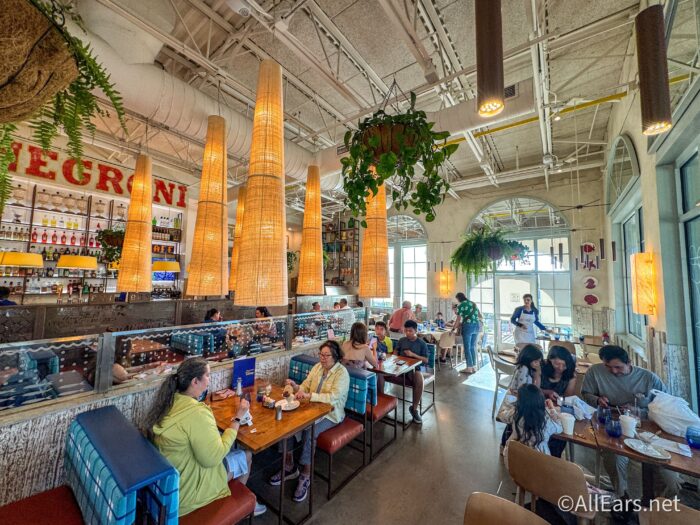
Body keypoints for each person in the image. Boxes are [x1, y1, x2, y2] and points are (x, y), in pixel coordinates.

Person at [145, 357, 266, 517]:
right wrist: (238, 418)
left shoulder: (169, 401)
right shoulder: (197, 412)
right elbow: (213, 458)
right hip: (189, 493)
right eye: (208, 375)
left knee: (227, 444)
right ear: (195, 381)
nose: (210, 380)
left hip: (171, 484)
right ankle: (238, 503)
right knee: (247, 455)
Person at [581, 345, 680, 497]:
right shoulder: (595, 372)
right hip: (614, 426)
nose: (614, 371)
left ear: (629, 363)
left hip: (649, 430)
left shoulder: (648, 379)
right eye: (608, 367)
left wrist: (640, 412)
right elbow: (586, 393)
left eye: (618, 367)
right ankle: (622, 496)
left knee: (670, 478)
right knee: (613, 457)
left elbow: (667, 408)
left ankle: (658, 504)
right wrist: (597, 400)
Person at [270, 340, 350, 503]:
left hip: (331, 414)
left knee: (309, 432)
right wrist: (295, 386)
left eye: (326, 355)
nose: (322, 358)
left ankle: (306, 474)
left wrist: (309, 396)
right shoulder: (317, 367)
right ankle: (289, 466)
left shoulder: (342, 373)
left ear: (335, 357)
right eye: (321, 354)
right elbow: (305, 386)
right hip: (312, 409)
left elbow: (333, 397)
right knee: (286, 424)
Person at [504, 384, 563, 469]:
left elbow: (503, 415)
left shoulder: (515, 414)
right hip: (538, 464)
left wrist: (510, 394)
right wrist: (552, 408)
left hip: (513, 458)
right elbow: (559, 428)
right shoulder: (546, 421)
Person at [500, 344, 543, 452]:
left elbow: (534, 389)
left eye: (539, 361)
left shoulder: (526, 368)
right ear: (528, 359)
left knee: (513, 423)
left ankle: (504, 445)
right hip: (516, 399)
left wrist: (537, 374)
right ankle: (505, 445)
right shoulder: (524, 369)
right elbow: (523, 389)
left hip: (518, 398)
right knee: (513, 422)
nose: (538, 364)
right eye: (536, 361)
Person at [393, 320, 429, 424]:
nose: (408, 333)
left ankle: (414, 408)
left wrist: (413, 355)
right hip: (399, 367)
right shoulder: (402, 340)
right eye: (406, 331)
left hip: (414, 368)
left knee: (419, 379)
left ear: (416, 331)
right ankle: (381, 404)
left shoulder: (421, 343)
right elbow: (395, 351)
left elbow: (426, 360)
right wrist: (395, 356)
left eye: (410, 331)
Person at [456, 292, 480, 374]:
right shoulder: (473, 303)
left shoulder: (461, 305)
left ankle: (469, 367)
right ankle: (474, 367)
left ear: (458, 298)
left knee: (467, 347)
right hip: (476, 325)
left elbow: (458, 319)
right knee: (472, 346)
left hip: (468, 326)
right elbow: (478, 315)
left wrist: (453, 329)